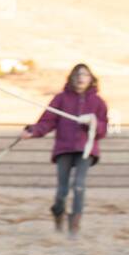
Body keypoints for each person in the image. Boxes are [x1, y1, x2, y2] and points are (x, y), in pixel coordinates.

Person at [20, 63, 108, 236]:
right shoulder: (60, 99)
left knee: (79, 186)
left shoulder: (98, 102)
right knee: (62, 191)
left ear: (91, 78)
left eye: (85, 75)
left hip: (85, 149)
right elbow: (47, 121)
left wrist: (94, 124)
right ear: (72, 78)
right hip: (64, 148)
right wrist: (32, 131)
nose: (81, 78)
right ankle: (58, 215)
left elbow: (103, 129)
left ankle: (74, 226)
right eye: (77, 74)